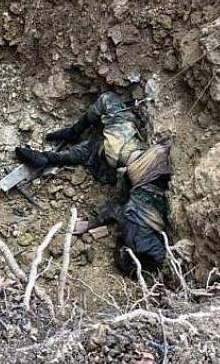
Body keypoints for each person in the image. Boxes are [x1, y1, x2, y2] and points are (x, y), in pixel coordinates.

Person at [15, 92, 171, 275]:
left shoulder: (139, 236)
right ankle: (51, 158)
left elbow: (158, 253)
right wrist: (91, 223)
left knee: (107, 100)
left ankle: (70, 135)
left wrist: (93, 223)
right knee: (89, 152)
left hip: (133, 163)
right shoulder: (133, 229)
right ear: (125, 251)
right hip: (124, 172)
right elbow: (115, 209)